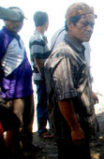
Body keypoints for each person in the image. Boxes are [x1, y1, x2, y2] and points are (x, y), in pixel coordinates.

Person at [44, 3, 98, 159]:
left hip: (78, 121)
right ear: (70, 24)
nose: (89, 29)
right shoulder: (65, 54)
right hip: (69, 125)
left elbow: (76, 83)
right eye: (84, 24)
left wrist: (89, 92)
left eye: (92, 25)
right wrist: (75, 128)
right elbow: (64, 97)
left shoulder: (77, 48)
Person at [0, 6, 36, 151]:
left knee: (28, 120)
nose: (18, 24)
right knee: (16, 124)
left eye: (20, 21)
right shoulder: (3, 37)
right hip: (13, 93)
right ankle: (15, 153)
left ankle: (27, 146)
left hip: (26, 88)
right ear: (5, 20)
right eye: (14, 20)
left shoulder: (17, 37)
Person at [29, 11, 53, 139]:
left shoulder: (41, 37)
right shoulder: (37, 38)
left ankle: (46, 128)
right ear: (46, 22)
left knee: (46, 102)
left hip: (44, 76)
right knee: (42, 103)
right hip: (41, 77)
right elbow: (37, 60)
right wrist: (44, 75)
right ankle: (42, 130)